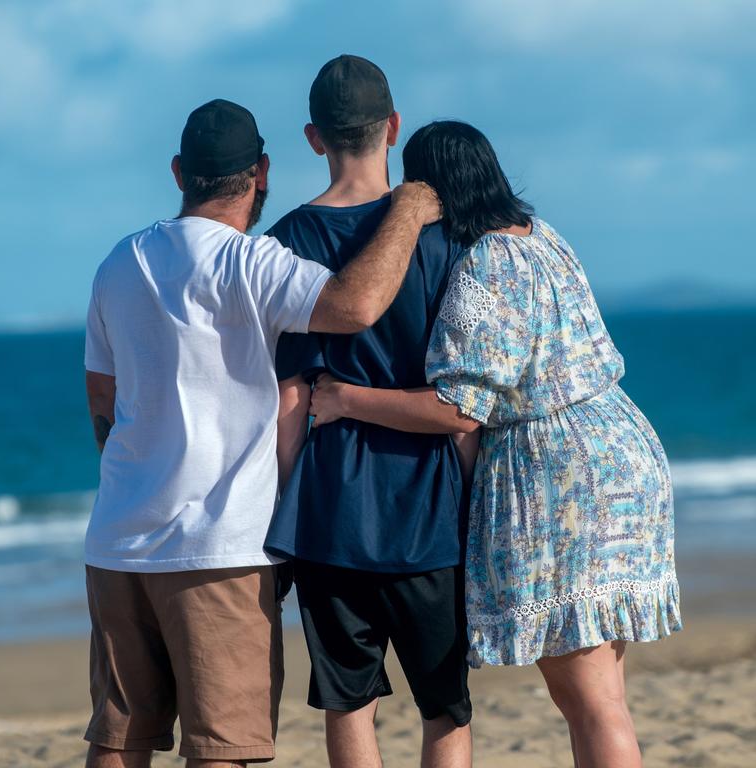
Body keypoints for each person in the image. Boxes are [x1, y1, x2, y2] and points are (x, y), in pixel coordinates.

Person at [307, 120, 682, 768]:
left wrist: (344, 399)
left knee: (589, 700)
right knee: (604, 691)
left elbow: (457, 408)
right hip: (625, 449)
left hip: (564, 474)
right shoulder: (545, 238)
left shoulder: (483, 265)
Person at [81, 98, 440, 768]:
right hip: (218, 547)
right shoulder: (251, 262)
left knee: (119, 736)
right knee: (224, 747)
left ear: (179, 171)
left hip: (117, 541)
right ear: (261, 173)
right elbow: (356, 306)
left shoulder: (119, 262)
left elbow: (102, 395)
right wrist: (410, 211)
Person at [266, 56, 474, 768]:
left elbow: (291, 399)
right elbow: (464, 399)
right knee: (444, 708)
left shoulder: (286, 242)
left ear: (313, 137)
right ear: (393, 127)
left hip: (331, 508)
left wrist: (280, 517)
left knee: (350, 705)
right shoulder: (443, 236)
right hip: (429, 505)